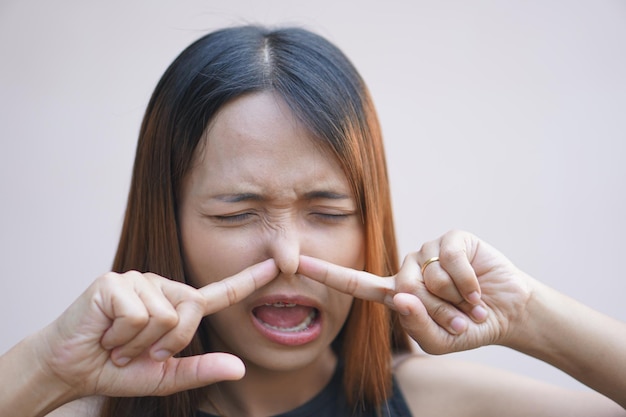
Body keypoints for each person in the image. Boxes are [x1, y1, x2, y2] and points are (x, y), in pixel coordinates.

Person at [0, 25, 625, 417]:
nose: (290, 256)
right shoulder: (66, 407)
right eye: (237, 212)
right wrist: (44, 369)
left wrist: (527, 314)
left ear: (370, 228)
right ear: (169, 223)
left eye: (327, 211)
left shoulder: (439, 405)